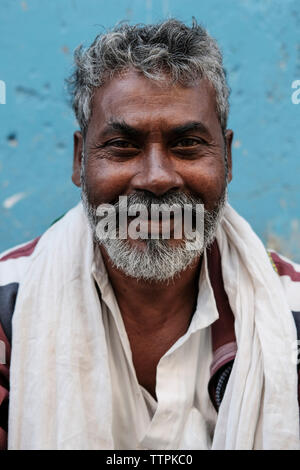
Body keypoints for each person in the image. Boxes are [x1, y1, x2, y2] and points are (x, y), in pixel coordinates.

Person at [0, 19, 299, 450]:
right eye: (122, 145)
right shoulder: (9, 312)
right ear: (79, 160)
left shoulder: (291, 316)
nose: (157, 179)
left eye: (187, 145)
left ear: (228, 160)